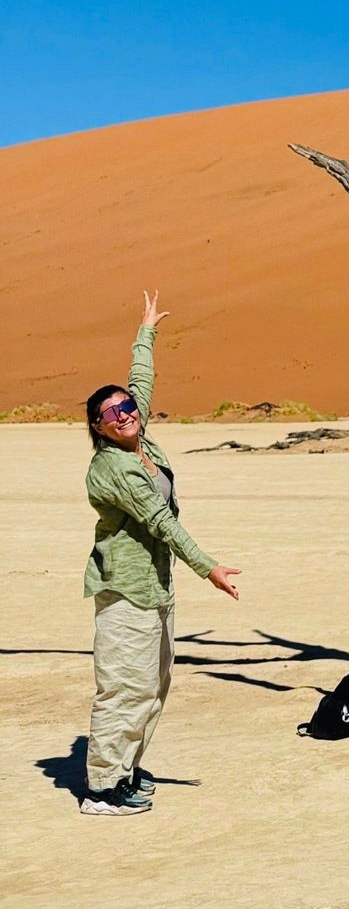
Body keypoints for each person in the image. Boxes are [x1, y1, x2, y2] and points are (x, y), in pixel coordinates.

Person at [81, 292, 243, 816]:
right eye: (112, 413)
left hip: (154, 588)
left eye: (127, 406)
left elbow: (142, 383)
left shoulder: (140, 441)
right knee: (123, 688)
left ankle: (125, 767)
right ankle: (103, 788)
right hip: (125, 591)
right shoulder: (115, 468)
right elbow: (159, 521)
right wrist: (209, 568)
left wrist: (146, 332)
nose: (125, 413)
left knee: (153, 685)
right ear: (99, 428)